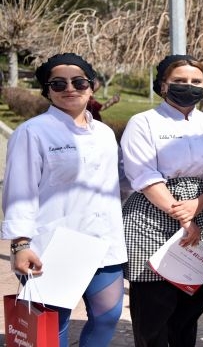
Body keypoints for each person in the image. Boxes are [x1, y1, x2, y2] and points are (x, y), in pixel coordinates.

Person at [1, 53, 128, 346]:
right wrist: (20, 244)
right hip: (54, 247)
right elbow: (20, 192)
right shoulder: (32, 132)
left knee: (108, 316)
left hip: (103, 244)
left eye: (79, 81)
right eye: (58, 83)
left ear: (91, 86)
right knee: (51, 327)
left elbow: (119, 181)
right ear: (47, 91)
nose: (70, 88)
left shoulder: (105, 133)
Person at [120, 54, 203, 347]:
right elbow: (144, 176)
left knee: (193, 302)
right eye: (180, 81)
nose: (189, 86)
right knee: (153, 309)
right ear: (163, 85)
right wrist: (184, 217)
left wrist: (199, 205)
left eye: (196, 81)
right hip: (151, 217)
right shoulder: (143, 122)